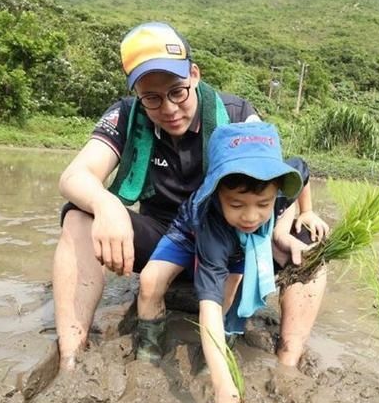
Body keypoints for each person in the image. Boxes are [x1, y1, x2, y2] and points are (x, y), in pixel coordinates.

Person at [52, 21, 326, 377]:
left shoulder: (238, 116)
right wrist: (107, 205)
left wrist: (285, 225)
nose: (168, 107)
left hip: (228, 239)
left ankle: (287, 362)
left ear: (194, 75)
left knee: (312, 243)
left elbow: (271, 182)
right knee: (78, 214)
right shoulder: (125, 115)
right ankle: (70, 357)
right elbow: (74, 176)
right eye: (152, 97)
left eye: (177, 91)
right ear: (137, 93)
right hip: (164, 239)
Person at [136, 121, 328, 403]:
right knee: (149, 283)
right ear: (216, 193)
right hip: (187, 233)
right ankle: (148, 350)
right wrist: (225, 388)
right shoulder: (213, 226)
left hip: (238, 245)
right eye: (236, 204)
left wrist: (306, 211)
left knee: (229, 294)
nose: (251, 216)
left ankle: (215, 353)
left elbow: (302, 170)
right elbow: (206, 307)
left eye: (263, 205)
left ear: (277, 189)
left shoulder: (277, 185)